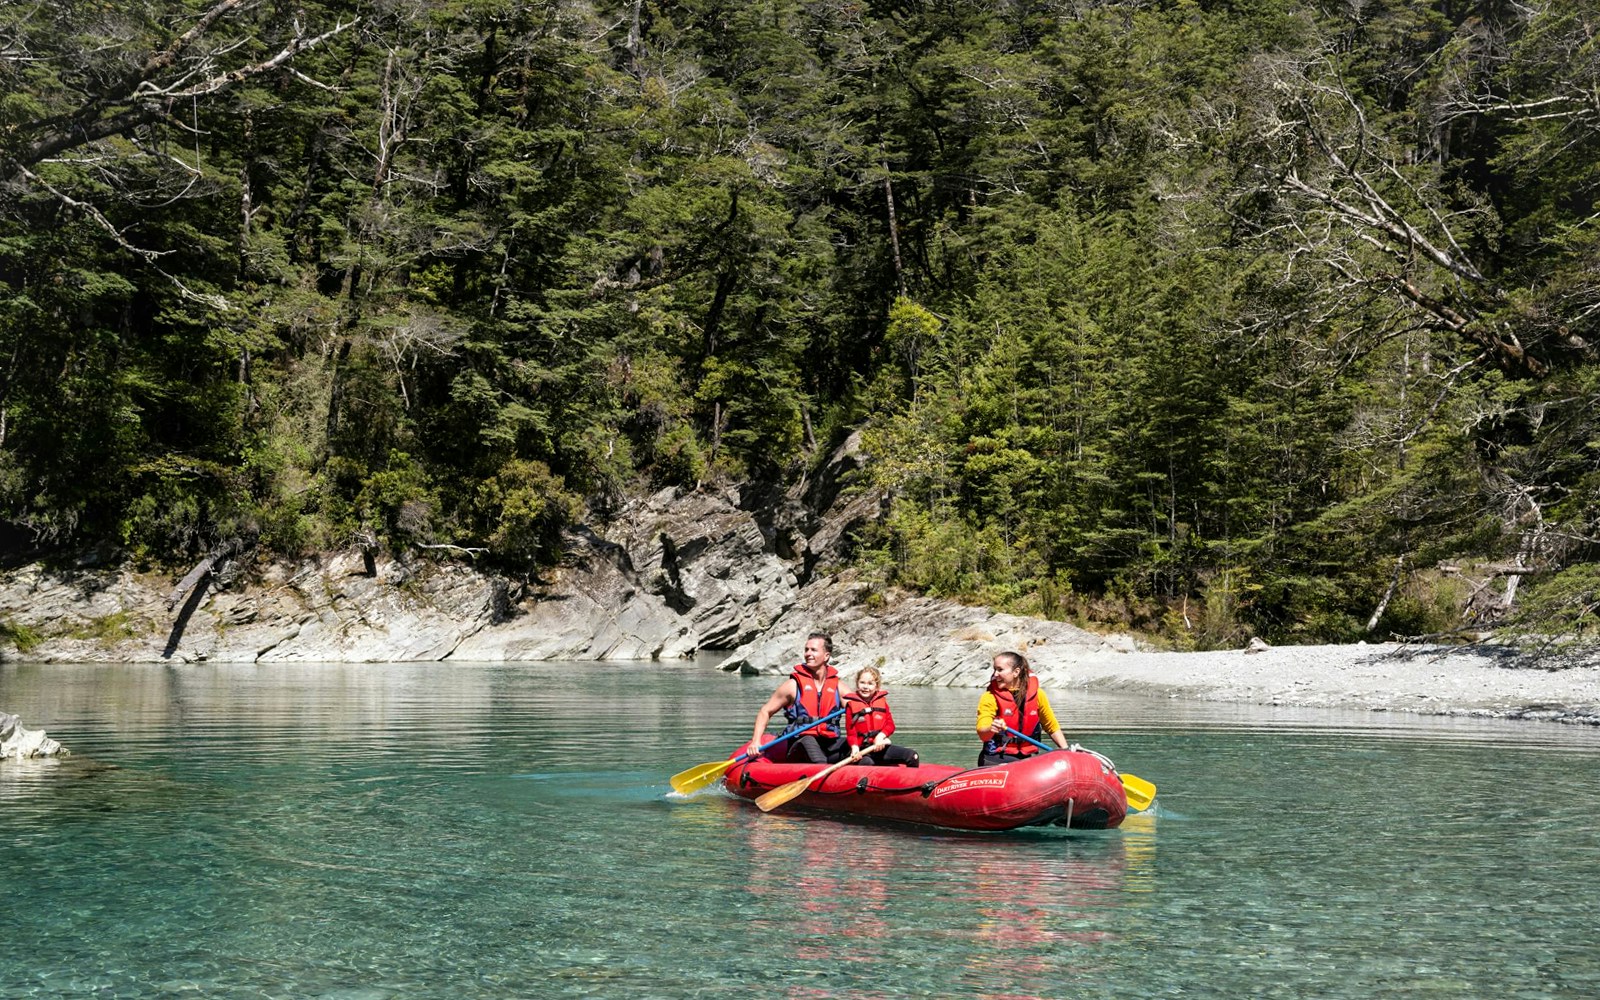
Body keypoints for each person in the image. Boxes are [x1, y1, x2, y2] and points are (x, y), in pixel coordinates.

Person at [748, 632, 850, 764]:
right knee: (808, 740)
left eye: (813, 650)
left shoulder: (838, 686)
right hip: (799, 743)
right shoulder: (792, 685)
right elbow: (765, 711)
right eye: (806, 649)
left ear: (826, 656)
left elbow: (858, 710)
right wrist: (756, 742)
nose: (808, 653)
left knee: (855, 746)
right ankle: (823, 771)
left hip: (829, 744)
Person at [975, 650, 1070, 767]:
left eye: (1000, 670)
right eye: (994, 669)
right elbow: (983, 734)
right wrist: (991, 728)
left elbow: (1052, 727)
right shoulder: (989, 697)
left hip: (1025, 759)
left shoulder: (1038, 695)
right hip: (995, 758)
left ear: (1016, 672)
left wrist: (1066, 750)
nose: (995, 674)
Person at [843, 666, 919, 767]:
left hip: (880, 747)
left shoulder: (882, 703)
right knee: (867, 763)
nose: (865, 687)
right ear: (857, 684)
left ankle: (911, 781)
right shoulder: (851, 706)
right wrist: (854, 748)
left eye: (870, 684)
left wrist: (880, 736)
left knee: (912, 756)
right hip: (863, 750)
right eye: (862, 682)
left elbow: (890, 725)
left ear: (877, 687)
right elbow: (851, 733)